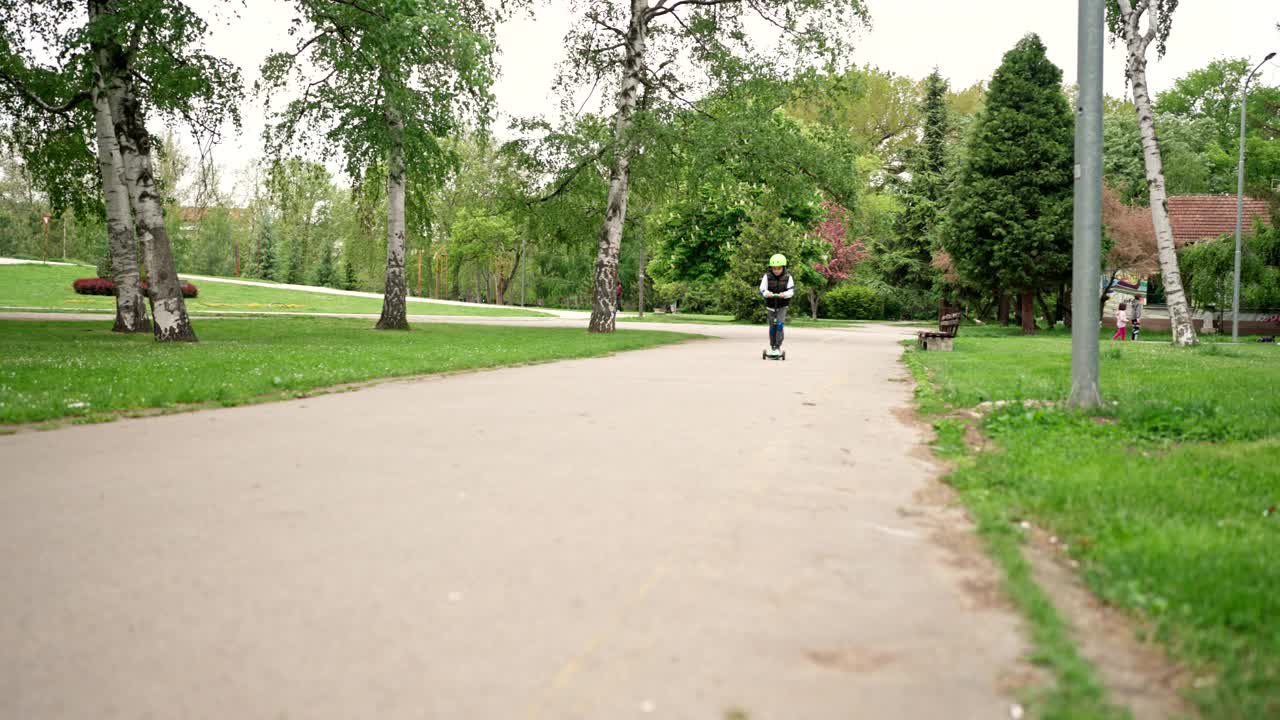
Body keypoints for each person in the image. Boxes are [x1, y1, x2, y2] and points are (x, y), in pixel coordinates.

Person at [760, 253, 795, 355]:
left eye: (778, 268)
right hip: (771, 305)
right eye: (774, 268)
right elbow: (762, 289)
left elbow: (791, 291)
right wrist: (767, 293)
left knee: (779, 325)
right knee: (772, 326)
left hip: (782, 305)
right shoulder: (767, 276)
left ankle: (778, 346)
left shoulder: (788, 277)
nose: (776, 271)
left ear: (783, 267)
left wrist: (784, 294)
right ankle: (772, 346)